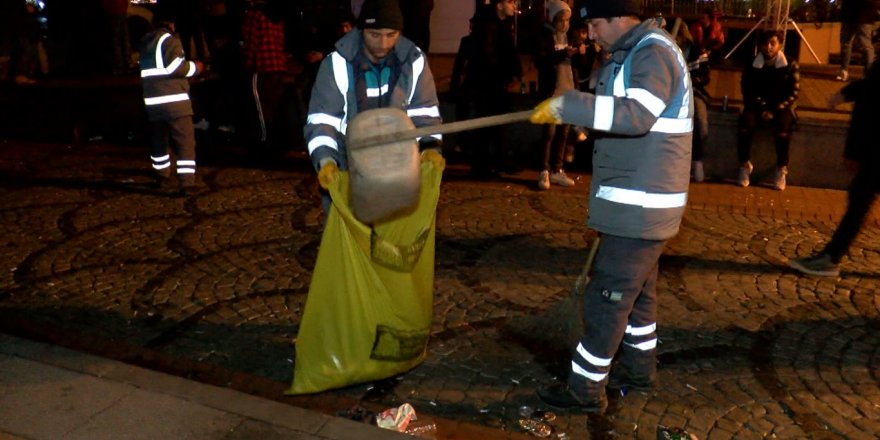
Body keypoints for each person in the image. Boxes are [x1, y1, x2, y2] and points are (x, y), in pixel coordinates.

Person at [529, 0, 692, 413]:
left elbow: (637, 115)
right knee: (639, 295)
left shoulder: (652, 53)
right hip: (641, 200)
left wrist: (570, 104)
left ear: (620, 18)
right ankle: (638, 370)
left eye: (596, 24)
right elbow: (616, 113)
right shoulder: (633, 52)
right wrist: (574, 106)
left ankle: (583, 391)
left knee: (608, 299)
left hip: (640, 204)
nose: (592, 34)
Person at [304, 0, 442, 214]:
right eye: (375, 35)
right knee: (350, 242)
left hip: (398, 171)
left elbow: (424, 113)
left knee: (394, 242)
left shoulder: (414, 62)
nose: (384, 44)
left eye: (391, 35)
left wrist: (429, 148)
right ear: (361, 30)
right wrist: (326, 160)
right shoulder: (337, 64)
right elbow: (323, 120)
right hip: (348, 168)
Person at [789, 62, 880, 276]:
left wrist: (854, 152)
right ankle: (831, 256)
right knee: (858, 201)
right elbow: (871, 88)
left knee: (859, 202)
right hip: (873, 150)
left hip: (875, 151)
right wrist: (845, 94)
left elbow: (871, 103)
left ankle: (831, 258)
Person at [139, 9, 205, 195]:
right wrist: (196, 68)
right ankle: (187, 183)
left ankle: (161, 174)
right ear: (170, 23)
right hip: (175, 102)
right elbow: (176, 67)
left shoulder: (145, 43)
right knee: (185, 142)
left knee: (159, 140)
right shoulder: (169, 40)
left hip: (153, 102)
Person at [464, 0, 522, 178]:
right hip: (489, 84)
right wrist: (505, 75)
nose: (514, 6)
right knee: (489, 124)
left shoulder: (501, 24)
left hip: (494, 82)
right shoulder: (488, 26)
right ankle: (486, 164)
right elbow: (488, 55)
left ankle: (496, 162)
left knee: (496, 124)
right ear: (499, 5)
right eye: (510, 2)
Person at [736, 30, 799, 191]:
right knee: (745, 126)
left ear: (780, 45)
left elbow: (793, 92)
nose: (768, 47)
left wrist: (776, 109)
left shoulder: (790, 64)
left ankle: (781, 168)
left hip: (781, 107)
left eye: (773, 43)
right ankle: (744, 165)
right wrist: (763, 108)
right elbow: (747, 90)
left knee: (783, 130)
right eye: (765, 44)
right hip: (757, 106)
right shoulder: (752, 64)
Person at [534, 0, 576, 190]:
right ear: (554, 19)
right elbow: (541, 60)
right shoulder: (544, 36)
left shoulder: (569, 37)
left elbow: (577, 66)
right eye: (562, 20)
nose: (565, 24)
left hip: (568, 90)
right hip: (552, 91)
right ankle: (543, 170)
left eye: (568, 20)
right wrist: (562, 54)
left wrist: (580, 54)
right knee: (549, 133)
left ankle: (557, 170)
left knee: (563, 133)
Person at [241, 0, 289, 151]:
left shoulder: (255, 15)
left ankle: (264, 141)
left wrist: (246, 65)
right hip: (278, 67)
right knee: (275, 107)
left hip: (261, 68)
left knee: (261, 108)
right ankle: (278, 140)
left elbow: (251, 43)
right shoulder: (277, 15)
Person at [676, 22, 711, 182]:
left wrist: (688, 82)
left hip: (694, 92)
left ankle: (697, 161)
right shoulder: (665, 52)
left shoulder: (698, 52)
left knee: (698, 119)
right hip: (672, 94)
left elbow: (705, 77)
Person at [835, 0, 879, 81]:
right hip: (858, 15)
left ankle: (845, 71)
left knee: (861, 45)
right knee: (861, 45)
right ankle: (845, 71)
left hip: (860, 15)